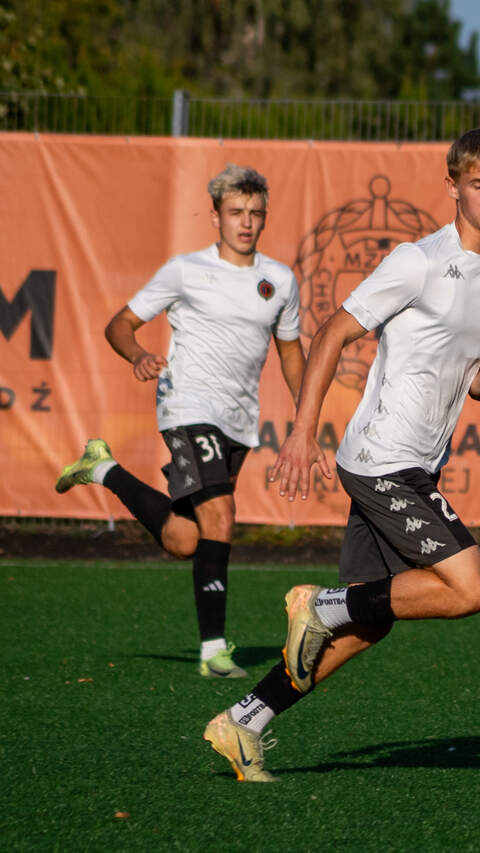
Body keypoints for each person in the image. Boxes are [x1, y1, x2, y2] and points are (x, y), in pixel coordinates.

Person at [202, 127, 480, 782]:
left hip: (420, 461)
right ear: (453, 187)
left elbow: (474, 381)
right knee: (473, 587)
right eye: (477, 184)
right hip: (383, 458)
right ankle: (320, 604)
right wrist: (302, 431)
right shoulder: (418, 261)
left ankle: (244, 719)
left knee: (369, 619)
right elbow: (331, 332)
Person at [55, 164, 304, 678]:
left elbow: (290, 352)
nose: (246, 222)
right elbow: (119, 325)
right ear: (215, 217)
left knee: (185, 540)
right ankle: (213, 653)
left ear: (265, 217)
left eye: (255, 213)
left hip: (238, 421)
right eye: (235, 212)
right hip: (187, 406)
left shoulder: (279, 280)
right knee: (222, 516)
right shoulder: (185, 270)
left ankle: (103, 469)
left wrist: (307, 419)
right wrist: (138, 355)